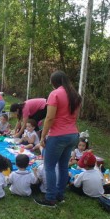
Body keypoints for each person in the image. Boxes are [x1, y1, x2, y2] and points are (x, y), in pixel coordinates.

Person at [35, 70, 82, 207]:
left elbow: (49, 118)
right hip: (73, 135)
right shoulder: (75, 95)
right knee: (62, 166)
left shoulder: (55, 94)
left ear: (54, 82)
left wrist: (43, 136)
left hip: (58, 135)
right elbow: (76, 117)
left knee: (49, 166)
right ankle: (60, 195)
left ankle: (50, 198)